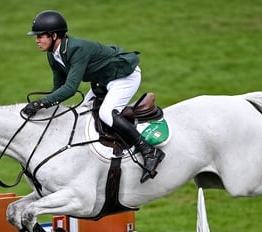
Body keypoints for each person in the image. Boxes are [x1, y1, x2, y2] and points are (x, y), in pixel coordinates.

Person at [23, 10, 165, 183]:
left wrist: (41, 103)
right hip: (103, 81)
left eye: (40, 36)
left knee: (106, 113)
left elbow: (70, 88)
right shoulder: (53, 54)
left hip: (124, 76)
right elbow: (58, 88)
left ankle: (149, 151)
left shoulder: (77, 49)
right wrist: (43, 106)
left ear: (54, 35)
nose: (36, 40)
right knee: (81, 110)